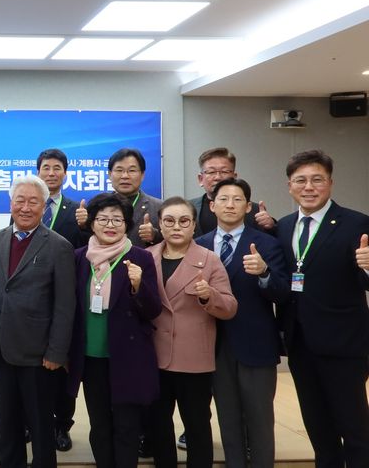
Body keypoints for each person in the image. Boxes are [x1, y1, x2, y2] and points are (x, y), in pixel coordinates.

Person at [0, 174, 75, 468]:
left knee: (40, 423)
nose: (25, 207)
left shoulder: (58, 246)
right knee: (7, 422)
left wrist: (57, 352)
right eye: (19, 200)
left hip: (39, 352)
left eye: (33, 202)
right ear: (10, 203)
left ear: (43, 206)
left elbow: (65, 305)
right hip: (2, 345)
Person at [276, 150, 369, 466]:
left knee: (355, 429)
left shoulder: (356, 224)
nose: (309, 187)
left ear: (330, 183)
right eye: (300, 180)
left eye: (317, 179)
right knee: (318, 429)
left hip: (344, 344)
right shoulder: (284, 226)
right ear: (290, 186)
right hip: (300, 343)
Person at [194, 178, 289, 468]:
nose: (230, 205)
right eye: (223, 199)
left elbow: (283, 293)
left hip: (255, 344)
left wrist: (264, 273)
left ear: (248, 207)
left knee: (260, 420)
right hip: (213, 345)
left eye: (237, 200)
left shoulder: (267, 244)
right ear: (212, 205)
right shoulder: (199, 245)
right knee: (228, 418)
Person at [66, 192, 161, 468]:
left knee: (126, 425)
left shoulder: (140, 257)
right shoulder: (79, 258)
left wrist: (138, 286)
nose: (110, 225)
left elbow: (154, 310)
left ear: (126, 224)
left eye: (117, 220)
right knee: (99, 425)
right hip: (90, 356)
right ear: (92, 223)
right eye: (103, 219)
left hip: (127, 355)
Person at [148, 197, 237, 468]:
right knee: (158, 425)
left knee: (197, 425)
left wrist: (209, 296)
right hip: (154, 357)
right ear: (159, 224)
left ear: (194, 225)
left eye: (184, 221)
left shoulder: (209, 260)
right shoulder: (146, 257)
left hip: (193, 360)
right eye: (169, 221)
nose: (176, 227)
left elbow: (230, 307)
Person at [35, 148, 87, 451]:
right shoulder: (29, 206)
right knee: (34, 366)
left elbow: (87, 250)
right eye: (46, 168)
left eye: (57, 168)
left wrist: (84, 226)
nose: (51, 173)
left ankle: (62, 425)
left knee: (64, 364)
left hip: (67, 297)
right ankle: (34, 423)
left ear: (65, 173)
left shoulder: (77, 210)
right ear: (38, 172)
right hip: (33, 300)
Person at [188, 147, 275, 237]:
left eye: (224, 171)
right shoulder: (188, 208)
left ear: (234, 177)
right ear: (200, 179)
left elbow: (268, 240)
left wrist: (271, 227)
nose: (218, 177)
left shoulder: (255, 210)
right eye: (211, 172)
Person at [101, 148, 162, 248]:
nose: (125, 176)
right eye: (119, 170)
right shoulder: (98, 206)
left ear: (142, 175)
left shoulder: (159, 207)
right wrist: (83, 225)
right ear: (109, 174)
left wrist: (154, 236)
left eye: (132, 170)